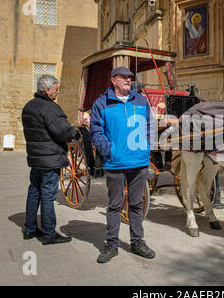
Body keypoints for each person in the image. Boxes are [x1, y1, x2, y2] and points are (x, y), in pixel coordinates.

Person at [90, 66, 156, 263]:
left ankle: (137, 242)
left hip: (139, 162)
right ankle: (111, 244)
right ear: (113, 80)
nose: (128, 79)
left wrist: (147, 148)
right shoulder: (102, 103)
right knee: (114, 205)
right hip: (116, 163)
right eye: (124, 77)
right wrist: (109, 150)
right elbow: (96, 131)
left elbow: (150, 125)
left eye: (130, 77)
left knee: (136, 204)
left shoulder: (141, 101)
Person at [21, 74, 80, 245]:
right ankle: (48, 233)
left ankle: (30, 228)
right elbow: (63, 131)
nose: (57, 92)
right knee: (48, 194)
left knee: (34, 191)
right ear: (47, 90)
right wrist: (75, 133)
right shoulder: (50, 108)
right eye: (55, 89)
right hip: (50, 158)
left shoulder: (28, 106)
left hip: (36, 158)